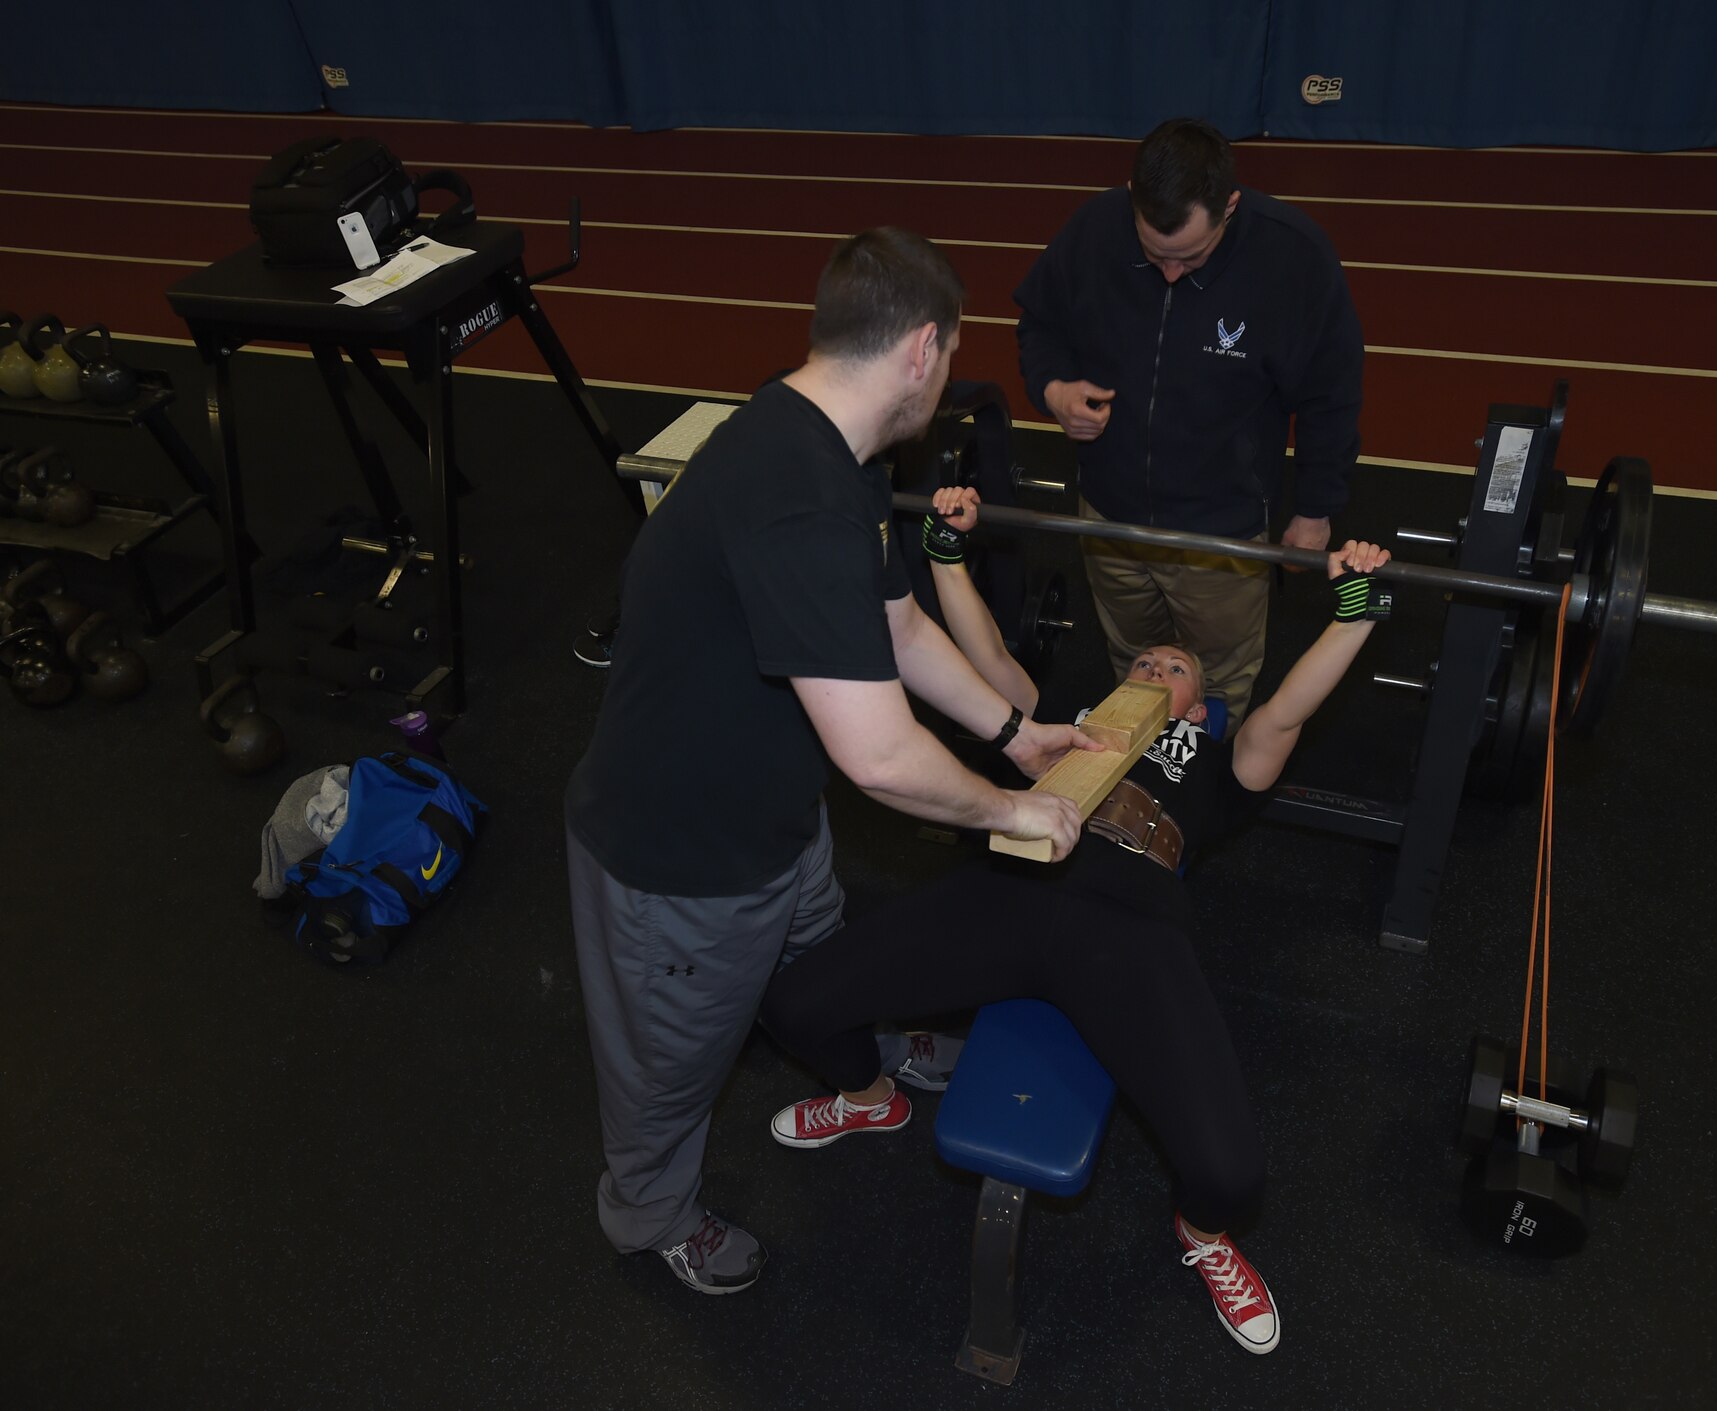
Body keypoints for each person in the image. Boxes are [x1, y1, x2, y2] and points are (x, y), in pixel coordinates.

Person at [563, 229, 1103, 1296]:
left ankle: (868, 1047)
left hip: (774, 811)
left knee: (824, 950)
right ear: (920, 350)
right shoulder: (799, 495)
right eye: (948, 362)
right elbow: (880, 758)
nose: (946, 381)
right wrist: (1013, 807)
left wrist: (1014, 732)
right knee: (667, 1073)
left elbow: (898, 631)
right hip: (678, 860)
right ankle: (648, 1213)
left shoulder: (822, 439)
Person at [759, 485, 1391, 1355]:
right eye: (1143, 662)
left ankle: (1202, 1237)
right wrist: (946, 554)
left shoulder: (1212, 755)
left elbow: (1287, 708)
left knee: (1231, 1173)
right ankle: (872, 1099)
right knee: (794, 1003)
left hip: (1128, 927)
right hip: (1009, 893)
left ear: (1199, 707)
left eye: (1176, 669)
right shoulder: (1073, 721)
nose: (1155, 668)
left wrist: (1354, 613)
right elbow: (983, 663)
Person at [1013, 116, 1366, 733]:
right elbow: (1040, 324)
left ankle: (1200, 800)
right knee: (1137, 665)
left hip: (1219, 534)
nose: (1172, 274)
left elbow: (1330, 395)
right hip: (1110, 514)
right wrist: (1054, 388)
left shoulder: (1294, 258)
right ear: (1132, 199)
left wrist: (1315, 511)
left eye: (1191, 257)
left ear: (1230, 205)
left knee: (1219, 680)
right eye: (1155, 257)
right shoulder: (1095, 230)